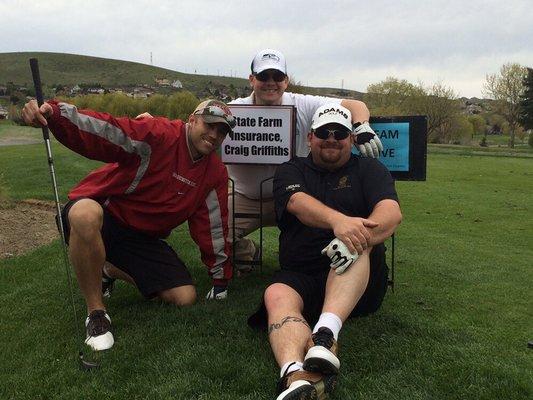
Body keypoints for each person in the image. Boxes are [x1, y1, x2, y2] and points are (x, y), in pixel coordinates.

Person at [21, 98, 236, 351]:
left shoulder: (215, 172)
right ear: (192, 119)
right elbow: (108, 131)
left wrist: (220, 278)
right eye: (209, 125)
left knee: (184, 296)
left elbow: (212, 226)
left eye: (221, 131)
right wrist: (56, 114)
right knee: (84, 214)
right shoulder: (160, 134)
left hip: (142, 238)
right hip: (105, 216)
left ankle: (106, 270)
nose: (214, 135)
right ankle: (97, 314)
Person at [247, 104, 402, 399]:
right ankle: (294, 375)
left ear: (352, 139)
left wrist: (354, 232)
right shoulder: (291, 169)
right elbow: (296, 202)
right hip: (301, 271)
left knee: (354, 245)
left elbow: (391, 212)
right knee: (275, 294)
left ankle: (326, 335)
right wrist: (338, 221)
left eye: (340, 132)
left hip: (359, 283)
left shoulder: (370, 169)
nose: (331, 138)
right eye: (323, 132)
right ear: (309, 137)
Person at [228, 49, 384, 271]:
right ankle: (249, 253)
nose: (271, 82)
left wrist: (361, 125)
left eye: (277, 76)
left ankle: (316, 272)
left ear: (286, 80)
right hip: (246, 196)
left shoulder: (303, 103)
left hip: (298, 197)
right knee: (212, 231)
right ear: (252, 79)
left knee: (327, 229)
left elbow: (355, 105)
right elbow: (205, 117)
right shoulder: (236, 109)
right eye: (263, 76)